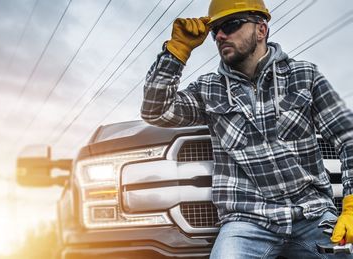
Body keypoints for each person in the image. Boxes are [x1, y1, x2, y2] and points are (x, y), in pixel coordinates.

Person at [141, 0, 353, 258]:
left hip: (312, 214)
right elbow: (156, 110)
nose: (220, 35)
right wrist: (177, 51)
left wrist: (351, 207)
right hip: (246, 222)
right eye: (215, 30)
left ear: (261, 30)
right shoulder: (208, 88)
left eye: (231, 25)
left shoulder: (304, 76)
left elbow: (348, 137)